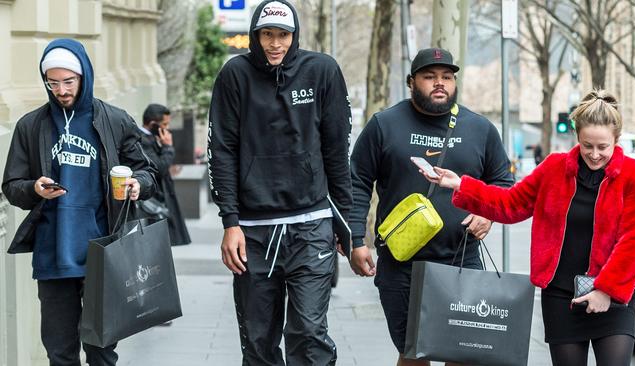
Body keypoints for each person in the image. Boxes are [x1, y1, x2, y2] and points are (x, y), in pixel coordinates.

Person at [425, 89, 635, 366]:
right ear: (577, 137)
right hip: (561, 297)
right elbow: (511, 204)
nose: (594, 154)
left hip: (614, 297)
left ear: (616, 140)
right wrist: (462, 184)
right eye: (586, 145)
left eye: (602, 147)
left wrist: (607, 290)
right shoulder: (554, 168)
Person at [207, 1, 352, 365]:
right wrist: (230, 223)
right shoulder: (234, 75)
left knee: (308, 333)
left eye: (283, 35)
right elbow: (221, 150)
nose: (275, 43)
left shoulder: (322, 71)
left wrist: (351, 228)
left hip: (311, 224)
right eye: (267, 34)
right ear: (256, 36)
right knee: (258, 342)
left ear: (294, 35)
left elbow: (337, 151)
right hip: (253, 231)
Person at [349, 47, 514, 366]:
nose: (440, 83)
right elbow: (356, 183)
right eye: (429, 76)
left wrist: (487, 213)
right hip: (401, 262)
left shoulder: (479, 129)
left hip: (460, 259)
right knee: (412, 352)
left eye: (447, 77)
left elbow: (503, 182)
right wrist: (356, 240)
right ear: (412, 82)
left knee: (463, 352)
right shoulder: (384, 124)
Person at [1, 39, 157, 365]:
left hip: (103, 250)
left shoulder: (115, 120)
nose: (61, 90)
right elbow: (12, 186)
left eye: (68, 81)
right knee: (59, 353)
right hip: (53, 251)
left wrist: (136, 185)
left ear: (84, 76)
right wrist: (34, 188)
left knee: (102, 350)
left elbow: (148, 173)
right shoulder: (31, 126)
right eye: (53, 82)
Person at [138, 103, 191, 246]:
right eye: (164, 124)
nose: (167, 128)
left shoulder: (151, 138)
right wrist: (167, 147)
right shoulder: (142, 140)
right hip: (152, 201)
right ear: (153, 124)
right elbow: (158, 168)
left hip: (160, 197)